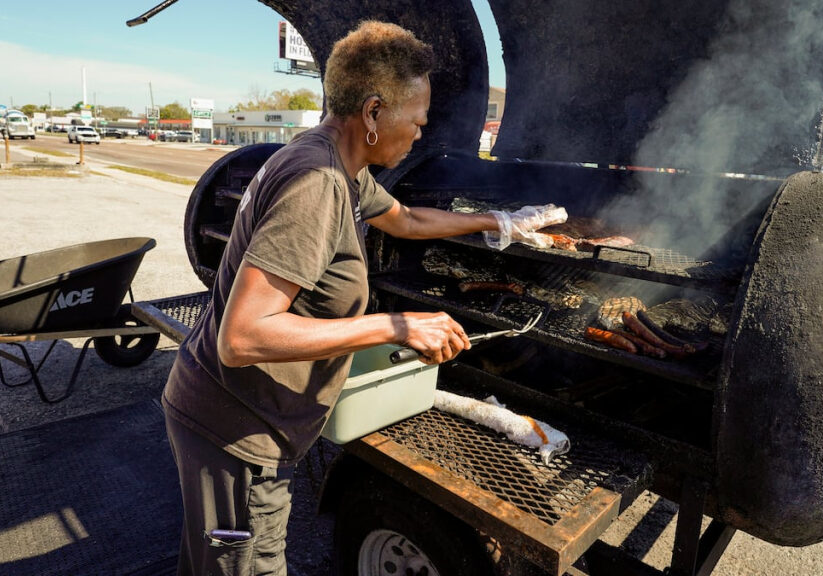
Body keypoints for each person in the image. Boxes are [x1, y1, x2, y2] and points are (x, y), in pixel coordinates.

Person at [161, 20, 565, 576]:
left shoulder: (341, 165)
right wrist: (397, 327)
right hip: (235, 431)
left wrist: (497, 221)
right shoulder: (316, 184)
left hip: (239, 417)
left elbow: (407, 219)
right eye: (417, 119)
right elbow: (243, 335)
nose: (422, 132)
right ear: (373, 113)